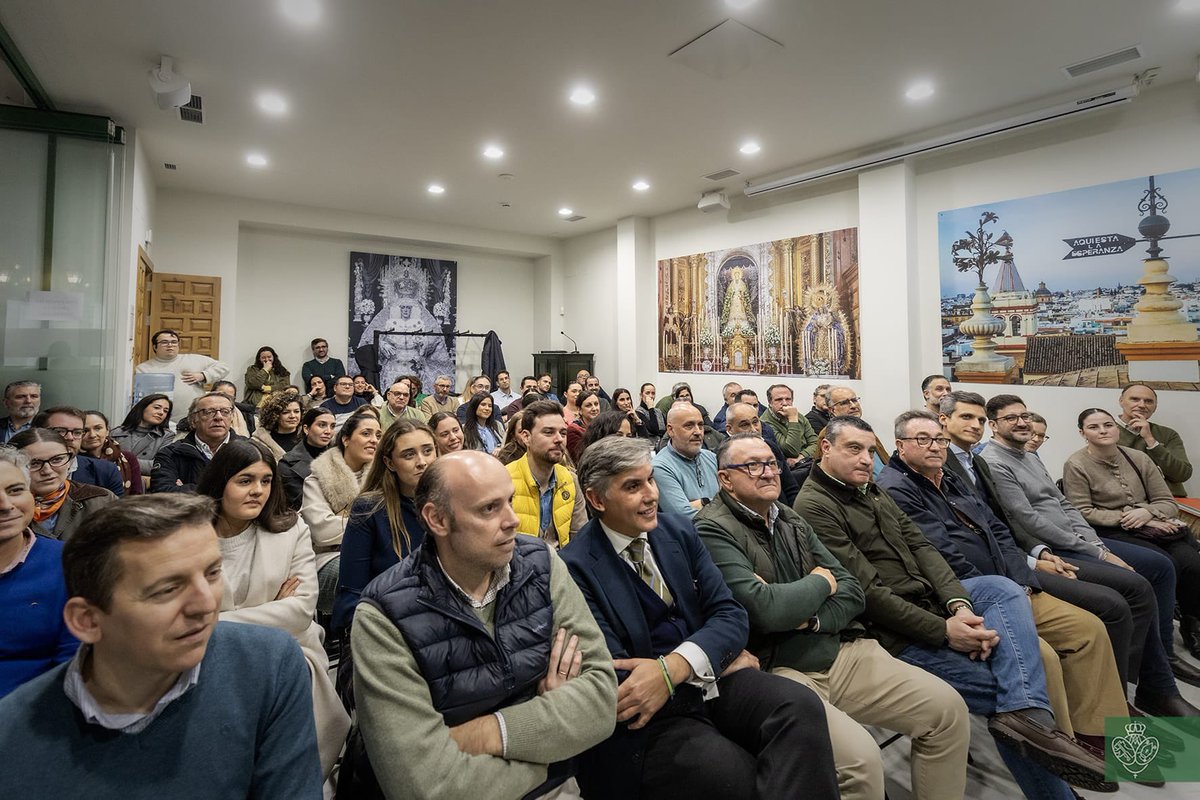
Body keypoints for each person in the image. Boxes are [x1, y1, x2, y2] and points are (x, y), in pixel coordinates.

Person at [700, 434, 1103, 800]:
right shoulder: (813, 505)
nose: (769, 471)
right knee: (1018, 682)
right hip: (868, 635)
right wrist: (825, 589)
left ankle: (1103, 737)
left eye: (771, 462)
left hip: (946, 599)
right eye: (753, 465)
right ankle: (1067, 775)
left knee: (1086, 625)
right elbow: (790, 606)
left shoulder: (858, 496)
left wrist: (960, 605)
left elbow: (916, 558)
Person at [560, 436, 841, 800]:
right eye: (633, 486)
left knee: (798, 706)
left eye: (650, 480)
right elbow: (620, 675)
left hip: (705, 681)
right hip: (654, 717)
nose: (651, 495)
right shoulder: (574, 566)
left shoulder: (678, 530)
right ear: (597, 500)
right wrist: (711, 656)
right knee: (729, 773)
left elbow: (730, 614)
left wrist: (676, 667)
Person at [0, 494, 324, 799]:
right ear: (87, 620)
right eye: (168, 589)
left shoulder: (267, 664)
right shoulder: (12, 737)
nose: (206, 605)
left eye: (213, 573)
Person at [349, 450, 616, 799]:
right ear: (437, 520)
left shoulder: (542, 564)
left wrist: (491, 732)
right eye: (489, 509)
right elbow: (428, 786)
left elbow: (600, 701)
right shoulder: (384, 616)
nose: (513, 520)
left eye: (510, 501)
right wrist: (552, 750)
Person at [879, 411, 1129, 771]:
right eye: (923, 439)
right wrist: (1002, 588)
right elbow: (938, 554)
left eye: (939, 439)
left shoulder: (949, 476)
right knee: (1043, 659)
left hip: (1011, 584)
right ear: (900, 446)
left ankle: (1100, 733)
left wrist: (1020, 580)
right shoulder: (897, 488)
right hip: (968, 594)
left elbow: (997, 529)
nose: (935, 446)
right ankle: (1060, 744)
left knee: (1089, 629)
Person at [940, 391, 1200, 714]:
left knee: (1156, 572)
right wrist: (1051, 554)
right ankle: (1124, 697)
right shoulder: (987, 462)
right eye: (1010, 418)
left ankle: (1152, 684)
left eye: (1025, 416)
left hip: (1054, 545)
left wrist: (1093, 545)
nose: (1022, 423)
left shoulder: (1017, 457)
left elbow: (1060, 506)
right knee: (1128, 593)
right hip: (1040, 553)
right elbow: (1022, 519)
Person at [196, 440, 350, 777]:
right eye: (245, 480)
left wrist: (215, 622)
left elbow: (298, 611)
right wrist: (269, 609)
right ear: (220, 482)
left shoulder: (290, 528)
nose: (258, 491)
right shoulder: (189, 533)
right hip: (203, 655)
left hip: (287, 651)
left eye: (266, 481)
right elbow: (180, 613)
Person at [1064, 408, 1200, 659]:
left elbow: (1167, 501)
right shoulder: (1076, 464)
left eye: (1108, 424)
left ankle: (1193, 625)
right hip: (1113, 531)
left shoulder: (1138, 457)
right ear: (1082, 433)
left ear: (1117, 428)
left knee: (1192, 562)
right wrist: (1130, 517)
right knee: (1165, 564)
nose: (1103, 430)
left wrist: (1147, 513)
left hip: (1155, 526)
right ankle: (1161, 644)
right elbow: (1081, 511)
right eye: (1094, 427)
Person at [334, 419, 435, 630]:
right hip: (391, 626)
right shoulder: (370, 509)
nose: (422, 462)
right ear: (390, 463)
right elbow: (351, 596)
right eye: (409, 454)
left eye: (428, 451)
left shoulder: (452, 503)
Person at [0, 446, 77, 698]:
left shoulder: (69, 563)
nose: (5, 505)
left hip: (34, 716)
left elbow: (73, 665)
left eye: (15, 490)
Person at [301, 411, 380, 617]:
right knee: (370, 573)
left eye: (378, 435)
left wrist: (346, 517)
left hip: (376, 551)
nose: (374, 440)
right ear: (346, 439)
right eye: (366, 434)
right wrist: (374, 525)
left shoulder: (384, 477)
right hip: (329, 557)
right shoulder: (318, 478)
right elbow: (323, 532)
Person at [10, 426, 117, 544]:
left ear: (70, 461)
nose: (47, 470)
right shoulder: (6, 506)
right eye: (34, 463)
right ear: (13, 467)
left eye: (57, 460)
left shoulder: (101, 500)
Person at [506, 401, 587, 549]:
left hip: (562, 566)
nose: (559, 439)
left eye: (563, 433)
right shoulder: (505, 480)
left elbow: (580, 539)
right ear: (526, 437)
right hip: (519, 567)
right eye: (548, 432)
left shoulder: (570, 480)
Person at [150, 392, 244, 493]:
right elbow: (163, 494)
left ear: (232, 418)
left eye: (225, 411)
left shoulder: (251, 450)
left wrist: (186, 488)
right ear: (193, 420)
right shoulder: (170, 454)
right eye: (209, 412)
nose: (219, 417)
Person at [135, 329, 231, 424]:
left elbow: (224, 367)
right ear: (155, 346)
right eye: (164, 342)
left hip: (194, 419)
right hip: (159, 421)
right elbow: (140, 399)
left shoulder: (193, 359)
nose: (170, 345)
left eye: (174, 342)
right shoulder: (143, 369)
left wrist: (203, 375)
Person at [1117, 382, 1193, 497]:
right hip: (1124, 501)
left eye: (1148, 401)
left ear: (1155, 407)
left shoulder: (1168, 434)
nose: (1142, 405)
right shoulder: (1103, 430)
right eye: (1135, 399)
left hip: (1170, 500)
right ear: (1121, 401)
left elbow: (1182, 474)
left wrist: (1150, 440)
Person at [33, 407, 124, 496]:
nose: (70, 438)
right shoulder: (23, 470)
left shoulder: (105, 471)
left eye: (77, 432)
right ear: (38, 432)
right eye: (60, 431)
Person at [724, 402, 801, 505]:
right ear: (730, 429)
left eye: (755, 422)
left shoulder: (770, 446)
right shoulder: (725, 455)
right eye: (745, 425)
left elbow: (790, 488)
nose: (753, 429)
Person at [651, 404, 718, 517]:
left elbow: (734, 501)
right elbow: (686, 517)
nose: (698, 432)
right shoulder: (660, 467)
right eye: (689, 426)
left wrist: (701, 503)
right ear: (670, 430)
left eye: (700, 425)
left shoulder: (711, 457)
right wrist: (710, 502)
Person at [279, 407, 336, 510]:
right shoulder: (287, 463)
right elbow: (302, 502)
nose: (328, 431)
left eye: (332, 426)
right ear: (306, 429)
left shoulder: (340, 456)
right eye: (322, 425)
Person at [823, 387, 888, 477]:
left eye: (854, 400)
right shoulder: (828, 434)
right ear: (832, 410)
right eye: (844, 403)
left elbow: (886, 461)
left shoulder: (865, 431)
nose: (853, 406)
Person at [80, 410, 143, 496]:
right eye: (85, 430)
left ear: (107, 430)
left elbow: (136, 495)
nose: (92, 435)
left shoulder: (128, 458)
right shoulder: (73, 461)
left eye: (98, 428)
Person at [110, 393, 173, 476]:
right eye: (157, 407)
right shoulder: (116, 433)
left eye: (165, 411)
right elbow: (106, 460)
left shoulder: (166, 436)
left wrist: (123, 462)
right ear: (142, 408)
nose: (161, 413)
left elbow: (162, 465)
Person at [761, 384, 818, 464]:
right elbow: (792, 450)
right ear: (770, 402)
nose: (784, 403)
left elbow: (816, 443)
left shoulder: (799, 416)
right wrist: (793, 419)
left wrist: (801, 457)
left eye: (788, 399)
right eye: (779, 399)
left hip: (806, 461)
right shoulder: (765, 423)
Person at [251, 392, 304, 460]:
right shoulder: (259, 442)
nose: (292, 416)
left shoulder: (309, 437)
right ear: (274, 415)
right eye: (285, 412)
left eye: (296, 411)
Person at [566, 389, 603, 462]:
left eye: (596, 404)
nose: (594, 408)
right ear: (579, 409)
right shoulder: (573, 430)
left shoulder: (603, 426)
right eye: (588, 405)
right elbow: (578, 459)